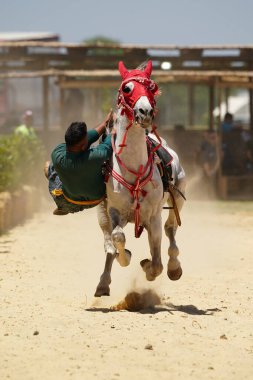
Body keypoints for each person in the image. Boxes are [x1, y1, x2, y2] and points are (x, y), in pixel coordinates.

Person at [45, 110, 114, 215]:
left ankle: (62, 205)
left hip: (68, 201)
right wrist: (114, 128)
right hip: (95, 200)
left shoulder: (57, 153)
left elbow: (87, 140)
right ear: (83, 146)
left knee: (50, 166)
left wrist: (104, 123)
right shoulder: (95, 156)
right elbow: (109, 141)